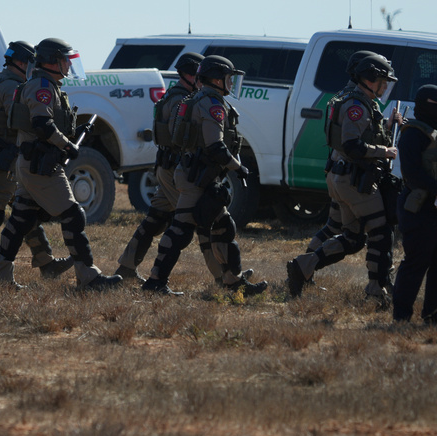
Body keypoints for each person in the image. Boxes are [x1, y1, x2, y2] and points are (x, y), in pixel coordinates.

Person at [0, 38, 122, 291]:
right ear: (52, 60)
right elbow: (42, 125)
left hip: (32, 163)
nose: (68, 65)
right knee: (73, 215)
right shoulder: (42, 86)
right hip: (40, 166)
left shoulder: (43, 85)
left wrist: (71, 133)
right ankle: (88, 276)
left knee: (21, 219)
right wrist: (67, 144)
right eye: (65, 59)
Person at [142, 55, 267, 296]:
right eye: (228, 78)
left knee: (222, 227)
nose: (231, 84)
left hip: (194, 174)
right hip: (196, 178)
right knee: (180, 231)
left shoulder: (196, 98)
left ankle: (233, 282)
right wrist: (237, 167)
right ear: (216, 79)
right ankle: (155, 282)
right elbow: (215, 147)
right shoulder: (212, 104)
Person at [287, 53, 400, 302]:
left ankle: (302, 267)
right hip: (354, 179)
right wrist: (386, 151)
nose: (384, 87)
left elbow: (363, 137)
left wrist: (389, 128)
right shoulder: (357, 105)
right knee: (380, 233)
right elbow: (353, 146)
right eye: (382, 81)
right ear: (368, 78)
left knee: (352, 238)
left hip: (344, 177)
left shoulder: (354, 99)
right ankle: (376, 292)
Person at [0, 41, 72, 279]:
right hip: (5, 159)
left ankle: (46, 262)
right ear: (20, 62)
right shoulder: (11, 86)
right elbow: (23, 121)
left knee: (24, 211)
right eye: (30, 62)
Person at [115, 52, 227, 283]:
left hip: (168, 168)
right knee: (200, 220)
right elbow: (182, 138)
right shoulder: (180, 101)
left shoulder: (177, 97)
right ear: (189, 75)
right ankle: (224, 276)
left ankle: (125, 267)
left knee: (154, 220)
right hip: (175, 169)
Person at [392, 85, 437, 322]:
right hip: (418, 208)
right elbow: (412, 173)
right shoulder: (413, 134)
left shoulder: (431, 131)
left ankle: (432, 315)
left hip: (433, 207)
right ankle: (401, 317)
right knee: (416, 262)